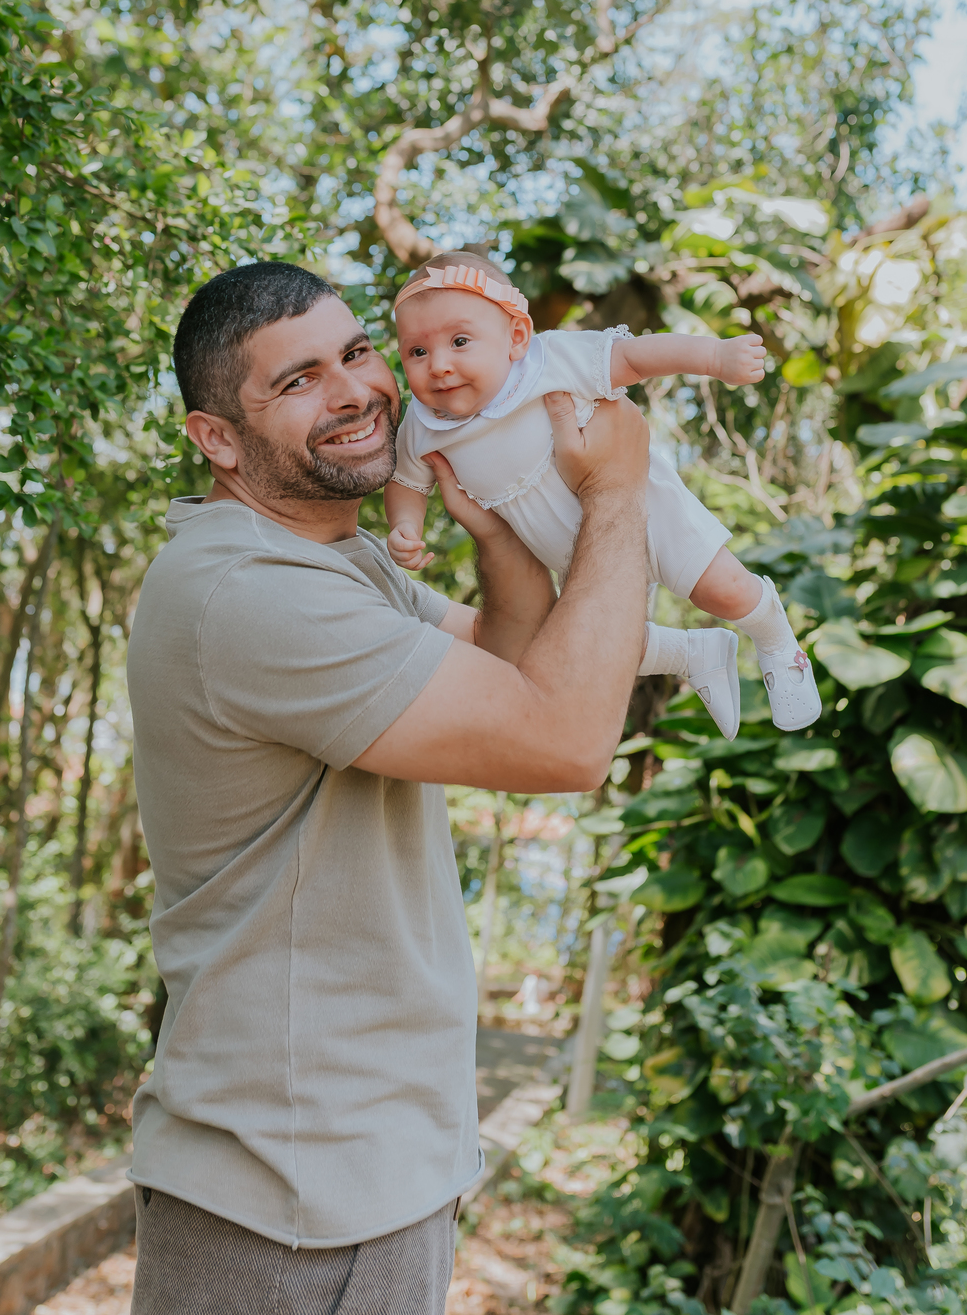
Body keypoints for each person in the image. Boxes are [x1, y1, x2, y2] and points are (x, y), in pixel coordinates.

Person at [124, 259, 651, 1315]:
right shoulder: (253, 595)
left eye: (359, 352)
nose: (359, 389)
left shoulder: (338, 566)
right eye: (299, 380)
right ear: (216, 439)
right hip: (295, 1199)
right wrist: (620, 490)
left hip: (361, 1172)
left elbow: (514, 670)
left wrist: (495, 531)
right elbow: (565, 743)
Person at [385, 252, 822, 736]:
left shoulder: (548, 362)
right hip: (576, 554)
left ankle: (779, 643)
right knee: (598, 647)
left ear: (516, 337)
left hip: (645, 508)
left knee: (725, 589)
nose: (439, 366)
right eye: (416, 353)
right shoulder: (421, 428)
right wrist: (406, 526)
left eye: (460, 341)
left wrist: (715, 358)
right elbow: (407, 483)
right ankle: (696, 654)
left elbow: (633, 357)